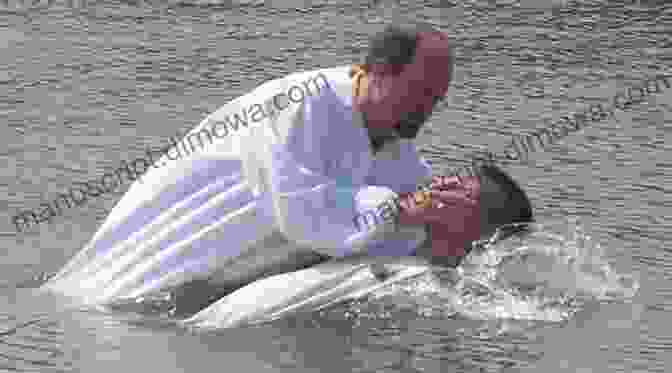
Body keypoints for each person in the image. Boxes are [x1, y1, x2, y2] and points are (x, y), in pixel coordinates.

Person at [41, 23, 528, 314]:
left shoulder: (389, 138)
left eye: (436, 99)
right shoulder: (301, 105)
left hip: (225, 272)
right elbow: (305, 217)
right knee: (119, 306)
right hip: (159, 261)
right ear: (377, 71)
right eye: (419, 94)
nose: (427, 109)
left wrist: (455, 214)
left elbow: (415, 198)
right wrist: (408, 211)